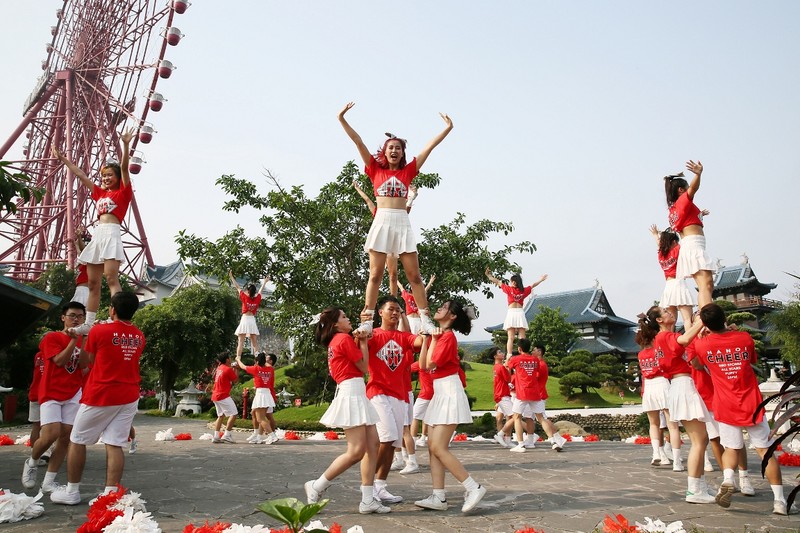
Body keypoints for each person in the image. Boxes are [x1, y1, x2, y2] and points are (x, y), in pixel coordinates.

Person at [338, 101, 453, 334]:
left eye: (398, 148)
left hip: (402, 221)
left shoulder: (408, 171)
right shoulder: (374, 169)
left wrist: (447, 129)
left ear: (402, 152)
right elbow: (358, 141)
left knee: (414, 275)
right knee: (375, 274)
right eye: (390, 147)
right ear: (385, 151)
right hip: (381, 221)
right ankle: (368, 320)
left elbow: (428, 148)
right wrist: (342, 119)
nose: (394, 151)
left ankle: (425, 320)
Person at [49, 291, 144, 505]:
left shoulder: (99, 331)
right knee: (115, 443)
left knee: (77, 439)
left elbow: (84, 362)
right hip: (129, 395)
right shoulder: (139, 335)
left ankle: (72, 491)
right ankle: (110, 494)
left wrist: (82, 339)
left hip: (101, 393)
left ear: (112, 309)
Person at [693, 303, 789, 515]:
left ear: (705, 324)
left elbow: (697, 364)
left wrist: (701, 335)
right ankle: (780, 501)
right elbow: (752, 358)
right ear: (724, 318)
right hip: (752, 403)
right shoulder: (744, 338)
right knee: (765, 451)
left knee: (731, 448)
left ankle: (728, 479)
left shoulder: (702, 345)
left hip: (725, 405)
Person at [303, 306, 390, 515]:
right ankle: (317, 485)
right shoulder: (342, 340)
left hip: (355, 392)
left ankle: (368, 499)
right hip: (352, 392)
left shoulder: (338, 341)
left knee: (373, 445)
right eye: (344, 317)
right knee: (356, 451)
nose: (348, 318)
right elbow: (363, 367)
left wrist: (360, 338)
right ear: (335, 324)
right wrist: (362, 342)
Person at [51, 128, 135, 335]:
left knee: (111, 279)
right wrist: (62, 158)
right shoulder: (99, 193)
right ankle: (88, 322)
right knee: (93, 283)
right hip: (98, 234)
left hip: (112, 233)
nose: (106, 178)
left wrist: (124, 145)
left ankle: (119, 318)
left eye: (109, 175)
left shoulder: (123, 192)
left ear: (117, 177)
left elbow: (125, 168)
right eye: (103, 176)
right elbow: (80, 174)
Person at [414, 299, 486, 513]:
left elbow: (429, 364)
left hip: (449, 391)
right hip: (440, 391)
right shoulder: (439, 336)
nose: (439, 308)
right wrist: (428, 338)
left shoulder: (447, 337)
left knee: (438, 447)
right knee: (432, 447)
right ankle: (438, 496)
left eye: (444, 307)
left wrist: (432, 339)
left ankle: (473, 487)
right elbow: (424, 363)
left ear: (452, 316)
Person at [639, 305, 712, 503]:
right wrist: (701, 321)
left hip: (680, 384)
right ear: (659, 321)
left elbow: (685, 339)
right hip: (682, 384)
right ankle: (694, 489)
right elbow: (685, 339)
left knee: (701, 440)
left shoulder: (663, 338)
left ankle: (700, 487)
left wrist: (696, 325)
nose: (669, 312)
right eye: (664, 312)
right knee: (699, 441)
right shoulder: (665, 337)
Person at [21, 302, 87, 494]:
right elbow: (59, 361)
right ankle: (32, 462)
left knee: (66, 436)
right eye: (72, 315)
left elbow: (83, 365)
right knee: (51, 434)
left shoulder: (84, 339)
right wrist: (74, 341)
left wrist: (87, 341)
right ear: (63, 317)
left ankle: (49, 481)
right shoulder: (52, 337)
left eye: (80, 316)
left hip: (73, 392)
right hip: (51, 392)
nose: (76, 319)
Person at [365, 296, 423, 504]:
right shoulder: (373, 335)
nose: (395, 313)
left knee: (393, 443)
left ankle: (380, 486)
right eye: (391, 309)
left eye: (398, 310)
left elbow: (418, 341)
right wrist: (362, 330)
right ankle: (368, 486)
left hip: (400, 396)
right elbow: (358, 346)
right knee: (388, 437)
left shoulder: (403, 337)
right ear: (380, 312)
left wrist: (427, 329)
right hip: (378, 392)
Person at [353, 179, 419, 297]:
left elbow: (405, 212)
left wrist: (411, 198)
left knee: (393, 274)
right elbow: (367, 200)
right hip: (382, 242)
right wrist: (358, 189)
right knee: (375, 274)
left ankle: (393, 298)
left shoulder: (396, 211)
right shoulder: (377, 212)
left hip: (394, 240)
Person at [663, 161, 714, 310]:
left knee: (706, 285)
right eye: (685, 189)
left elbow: (686, 222)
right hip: (693, 244)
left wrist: (700, 214)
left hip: (690, 244)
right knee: (706, 284)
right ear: (680, 190)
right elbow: (693, 188)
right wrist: (698, 174)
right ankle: (706, 318)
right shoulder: (682, 201)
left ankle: (704, 316)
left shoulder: (674, 209)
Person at [635, 315, 682, 468]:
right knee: (672, 425)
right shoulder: (659, 350)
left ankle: (656, 453)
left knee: (653, 423)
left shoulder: (641, 354)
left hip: (649, 386)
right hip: (662, 383)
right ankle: (677, 460)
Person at [507, 340, 566, 452]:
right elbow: (535, 369)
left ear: (519, 349)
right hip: (535, 393)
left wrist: (509, 355)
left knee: (517, 418)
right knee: (541, 418)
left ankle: (520, 444)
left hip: (522, 393)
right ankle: (553, 441)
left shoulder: (516, 359)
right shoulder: (535, 360)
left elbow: (507, 366)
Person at [485, 268, 548, 355]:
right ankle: (514, 354)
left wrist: (541, 279)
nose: (512, 283)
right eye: (511, 282)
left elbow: (533, 285)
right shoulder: (515, 290)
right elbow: (498, 282)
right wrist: (489, 276)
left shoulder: (517, 290)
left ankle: (517, 354)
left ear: (516, 282)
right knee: (515, 337)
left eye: (513, 282)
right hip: (515, 313)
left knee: (517, 337)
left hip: (516, 313)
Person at [648, 224, 695, 328]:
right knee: (687, 319)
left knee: (670, 321)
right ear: (674, 242)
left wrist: (656, 235)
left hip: (668, 286)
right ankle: (691, 343)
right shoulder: (677, 249)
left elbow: (659, 244)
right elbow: (686, 238)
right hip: (678, 283)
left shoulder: (661, 254)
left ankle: (669, 342)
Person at [236, 352, 278, 444]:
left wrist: (238, 359)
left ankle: (272, 435)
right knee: (256, 414)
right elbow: (267, 364)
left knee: (261, 419)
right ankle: (259, 436)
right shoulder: (270, 369)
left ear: (257, 361)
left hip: (261, 394)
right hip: (266, 393)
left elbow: (243, 366)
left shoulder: (256, 368)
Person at [229, 271, 269, 359]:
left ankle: (238, 358)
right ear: (254, 292)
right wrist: (265, 282)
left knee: (240, 342)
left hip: (245, 319)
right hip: (252, 320)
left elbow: (237, 287)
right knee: (254, 343)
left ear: (247, 291)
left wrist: (232, 277)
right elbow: (260, 291)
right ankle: (258, 359)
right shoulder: (257, 299)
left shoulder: (245, 297)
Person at [210, 353, 239, 444]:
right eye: (229, 358)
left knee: (221, 415)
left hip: (215, 395)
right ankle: (227, 435)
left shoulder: (219, 368)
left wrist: (233, 368)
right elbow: (235, 380)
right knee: (234, 414)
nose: (230, 360)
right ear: (227, 360)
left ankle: (216, 436)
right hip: (223, 395)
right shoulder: (228, 369)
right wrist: (237, 369)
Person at [491, 349, 514, 448]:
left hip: (501, 395)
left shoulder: (496, 367)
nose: (502, 354)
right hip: (503, 395)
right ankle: (500, 435)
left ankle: (507, 439)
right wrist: (508, 365)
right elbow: (508, 378)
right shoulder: (500, 367)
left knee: (511, 417)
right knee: (515, 416)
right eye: (499, 353)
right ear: (495, 356)